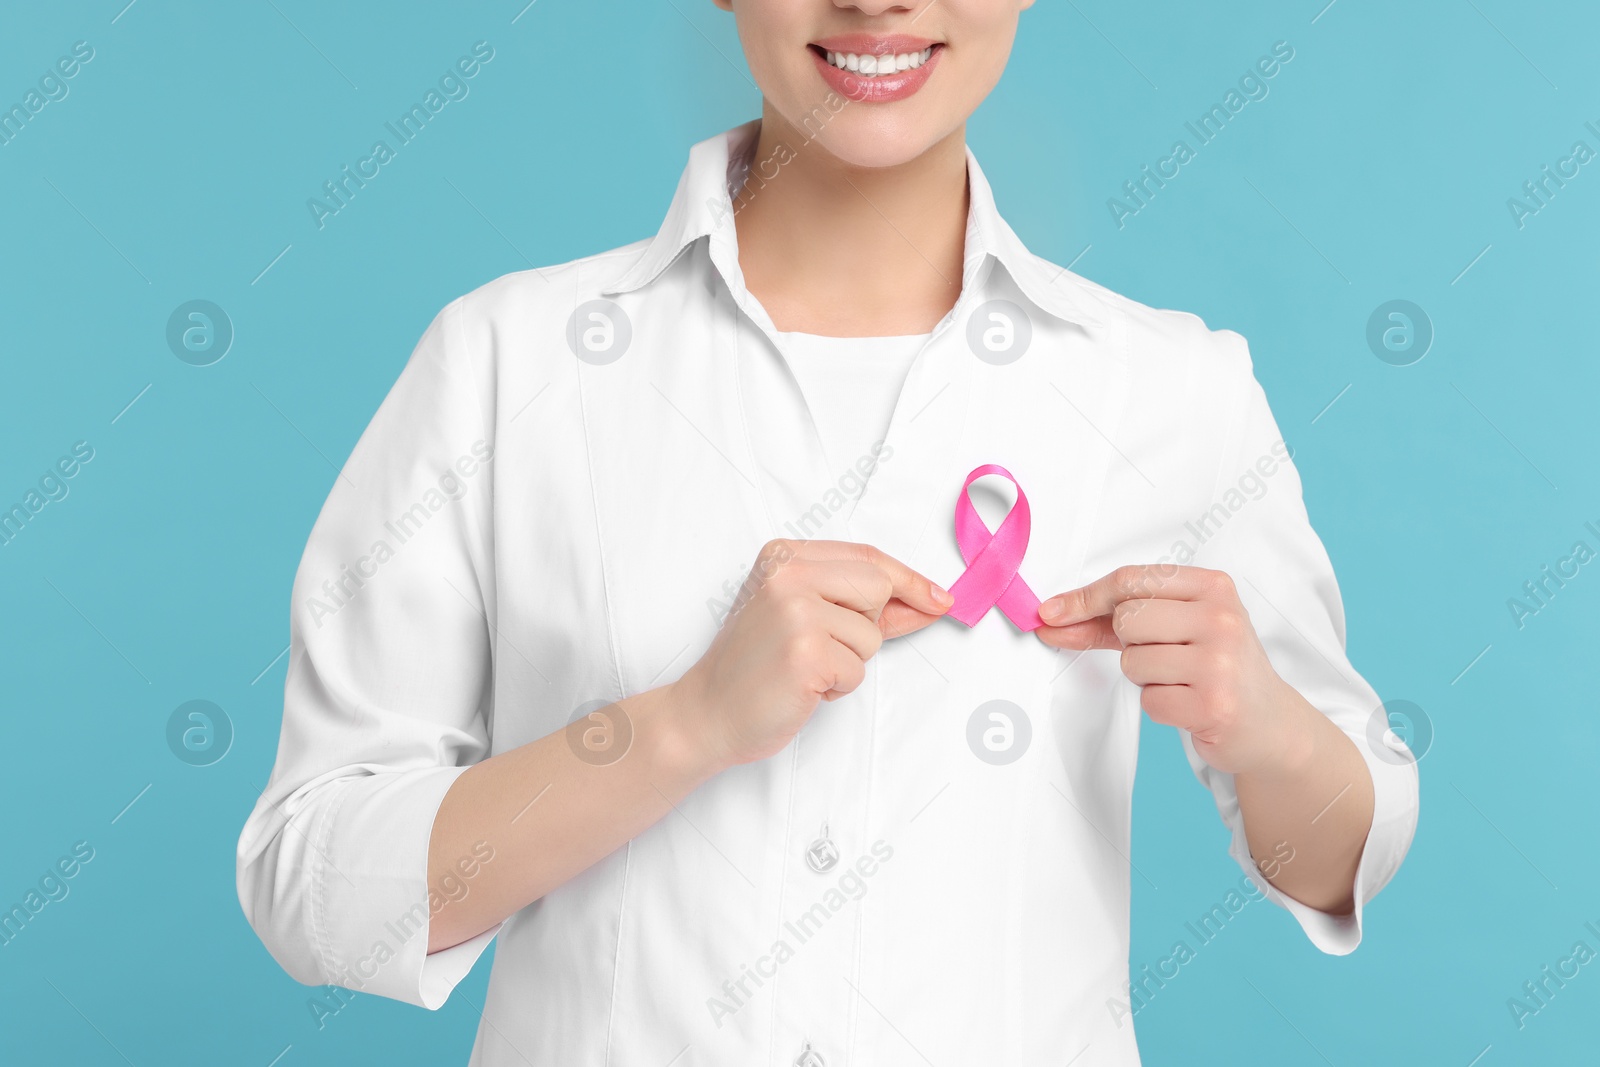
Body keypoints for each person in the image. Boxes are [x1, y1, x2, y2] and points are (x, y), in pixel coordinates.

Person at [237, 1, 1419, 1063]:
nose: (877, 2)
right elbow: (314, 885)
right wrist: (681, 724)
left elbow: (1341, 860)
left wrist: (1260, 723)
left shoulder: (1171, 390)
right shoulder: (508, 365)